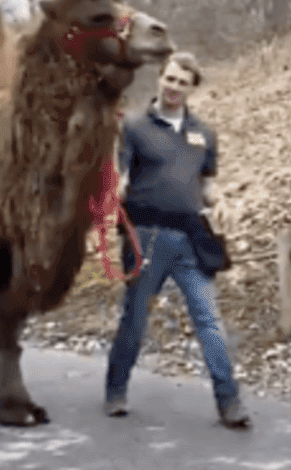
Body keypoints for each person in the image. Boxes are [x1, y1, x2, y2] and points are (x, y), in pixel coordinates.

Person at [104, 51, 250, 429]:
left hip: (191, 239)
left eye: (182, 83)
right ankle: (116, 390)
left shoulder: (204, 134)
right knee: (135, 319)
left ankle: (229, 401)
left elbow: (207, 185)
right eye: (170, 79)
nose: (174, 87)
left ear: (192, 88)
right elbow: (120, 173)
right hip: (146, 236)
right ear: (160, 78)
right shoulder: (135, 127)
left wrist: (220, 203)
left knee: (210, 321)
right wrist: (117, 187)